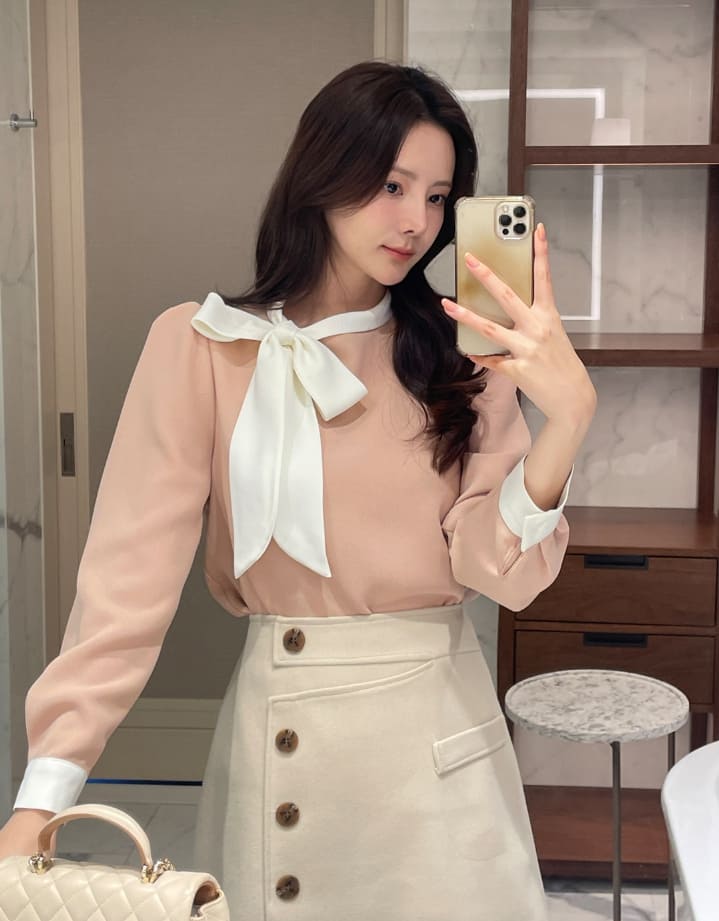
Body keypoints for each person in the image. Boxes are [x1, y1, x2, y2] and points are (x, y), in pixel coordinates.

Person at [0, 61, 595, 919]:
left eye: (436, 197)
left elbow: (499, 570)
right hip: (280, 746)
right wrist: (44, 793)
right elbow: (123, 589)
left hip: (439, 758)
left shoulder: (463, 360)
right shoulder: (202, 347)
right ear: (323, 173)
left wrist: (567, 418)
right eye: (391, 185)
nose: (415, 221)